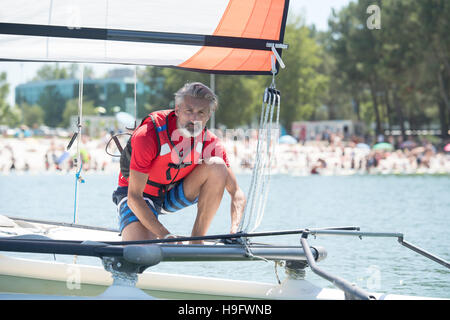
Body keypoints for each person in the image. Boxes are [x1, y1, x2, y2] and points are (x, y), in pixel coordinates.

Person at [112, 82, 246, 243]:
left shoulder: (209, 142)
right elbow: (134, 197)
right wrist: (165, 235)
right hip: (137, 196)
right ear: (177, 110)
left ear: (208, 115)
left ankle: (197, 240)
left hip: (170, 195)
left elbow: (236, 193)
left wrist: (235, 231)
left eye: (201, 112)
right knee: (141, 250)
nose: (194, 119)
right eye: (189, 111)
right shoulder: (149, 134)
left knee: (217, 165)